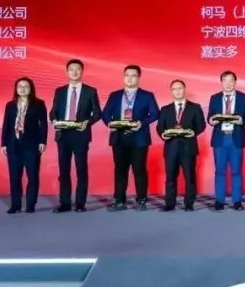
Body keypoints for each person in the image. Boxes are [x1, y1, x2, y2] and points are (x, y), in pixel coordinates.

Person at [100, 64, 160, 211]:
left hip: (139, 137)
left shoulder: (147, 95)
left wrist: (142, 123)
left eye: (133, 75)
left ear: (139, 77)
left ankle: (141, 200)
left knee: (139, 169)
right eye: (127, 75)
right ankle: (119, 201)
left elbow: (155, 113)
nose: (130, 78)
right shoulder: (115, 95)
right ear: (123, 77)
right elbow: (105, 113)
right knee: (120, 170)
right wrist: (109, 123)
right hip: (119, 137)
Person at [49, 59, 101, 212]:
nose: (74, 72)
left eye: (77, 69)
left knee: (81, 170)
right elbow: (53, 111)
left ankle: (80, 204)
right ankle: (64, 203)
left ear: (82, 71)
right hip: (63, 135)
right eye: (71, 69)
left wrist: (88, 122)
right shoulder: (60, 91)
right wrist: (53, 120)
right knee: (63, 171)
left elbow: (97, 113)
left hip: (80, 134)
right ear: (67, 72)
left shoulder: (90, 91)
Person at [207, 70, 245, 211]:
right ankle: (219, 201)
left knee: (236, 171)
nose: (228, 84)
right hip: (220, 139)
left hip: (236, 138)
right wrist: (211, 120)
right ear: (221, 82)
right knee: (220, 171)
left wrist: (241, 120)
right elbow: (209, 117)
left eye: (231, 81)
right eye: (225, 81)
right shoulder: (214, 98)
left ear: (235, 82)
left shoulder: (244, 98)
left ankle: (237, 201)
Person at [156, 79, 206, 211]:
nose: (177, 91)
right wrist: (163, 134)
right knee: (170, 177)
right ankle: (169, 204)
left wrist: (194, 132)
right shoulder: (165, 109)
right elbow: (160, 127)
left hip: (188, 147)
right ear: (171, 91)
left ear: (184, 89)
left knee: (190, 177)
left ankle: (189, 204)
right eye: (174, 89)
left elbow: (201, 125)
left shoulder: (195, 107)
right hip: (171, 148)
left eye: (180, 88)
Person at [0, 77, 47, 214]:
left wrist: (43, 141)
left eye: (26, 86)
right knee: (14, 177)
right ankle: (15, 205)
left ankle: (31, 205)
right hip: (13, 145)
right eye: (20, 86)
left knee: (32, 176)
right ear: (16, 89)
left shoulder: (39, 104)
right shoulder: (10, 105)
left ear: (31, 89)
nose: (22, 89)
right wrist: (4, 143)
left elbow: (44, 125)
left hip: (32, 145)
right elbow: (6, 125)